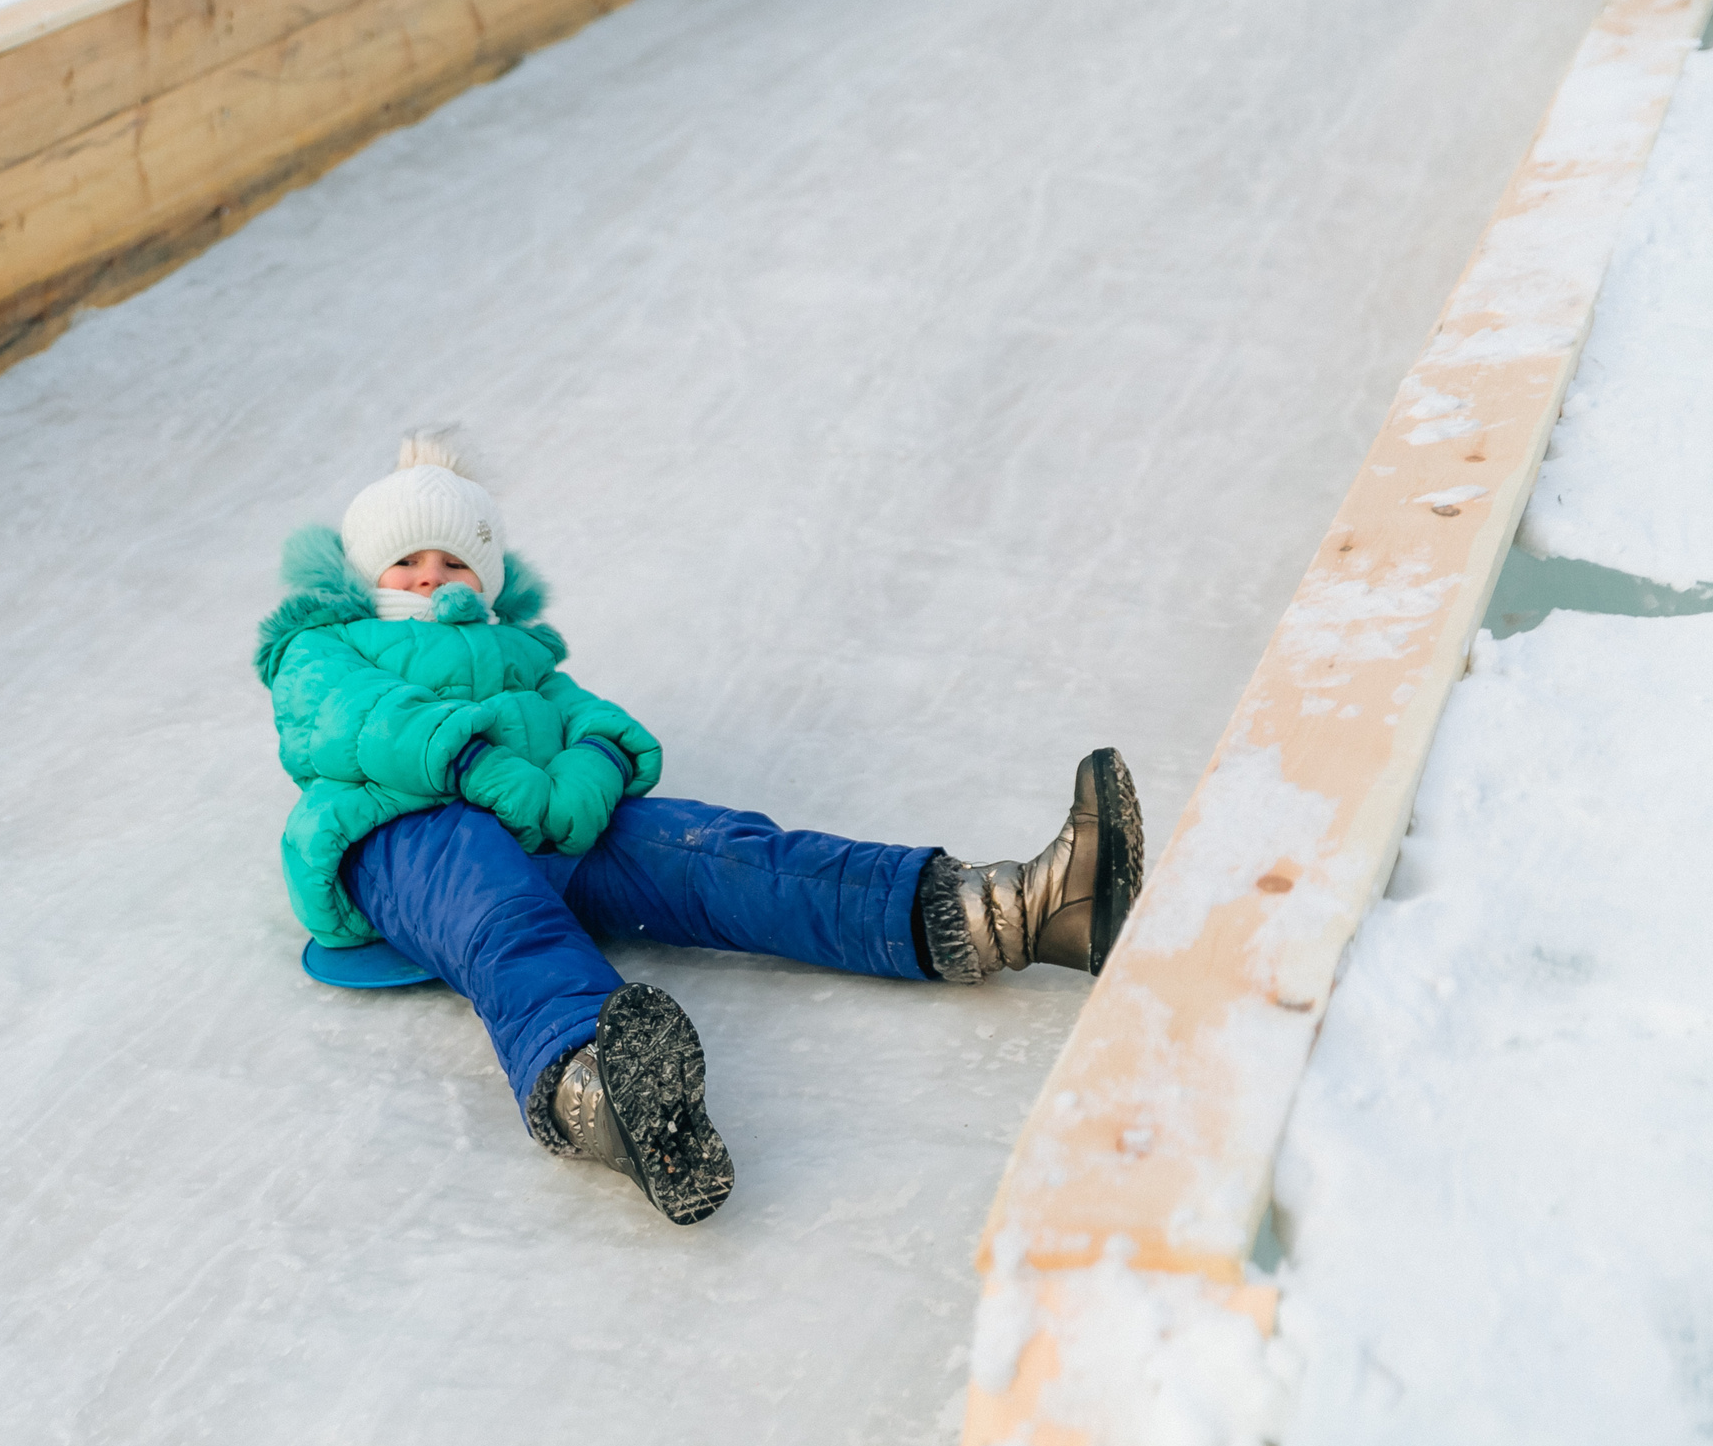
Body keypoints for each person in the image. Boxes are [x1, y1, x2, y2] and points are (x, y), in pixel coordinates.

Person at [253, 434, 1143, 1225]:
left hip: (541, 830)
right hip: (400, 840)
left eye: (454, 559)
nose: (430, 575)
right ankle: (596, 1086)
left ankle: (1010, 910)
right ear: (365, 573)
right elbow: (350, 720)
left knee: (713, 851)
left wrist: (588, 772)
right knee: (499, 910)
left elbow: (598, 721)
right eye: (405, 559)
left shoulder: (519, 654)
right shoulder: (324, 644)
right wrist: (479, 765)